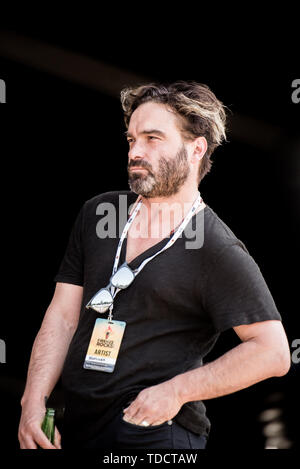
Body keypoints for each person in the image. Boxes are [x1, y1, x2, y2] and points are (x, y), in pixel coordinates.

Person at [18, 81, 291, 450]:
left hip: (154, 433)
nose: (135, 151)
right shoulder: (99, 214)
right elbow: (63, 315)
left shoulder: (216, 247)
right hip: (78, 425)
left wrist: (176, 391)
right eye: (131, 139)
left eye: (152, 138)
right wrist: (33, 399)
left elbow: (272, 351)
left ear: (196, 149)